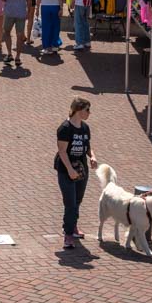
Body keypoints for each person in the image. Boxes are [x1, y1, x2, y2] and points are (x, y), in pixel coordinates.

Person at [55, 97, 97, 249]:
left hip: (81, 169)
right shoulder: (65, 128)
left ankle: (73, 226)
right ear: (79, 110)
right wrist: (70, 170)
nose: (89, 113)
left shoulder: (85, 127)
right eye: (87, 110)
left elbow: (87, 146)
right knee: (70, 203)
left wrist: (92, 157)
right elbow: (62, 152)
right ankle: (68, 234)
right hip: (66, 171)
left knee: (77, 200)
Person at [0, 0, 33, 67]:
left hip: (9, 11)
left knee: (6, 32)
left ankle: (9, 53)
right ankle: (18, 57)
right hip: (21, 11)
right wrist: (28, 11)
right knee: (19, 35)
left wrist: (7, 0)